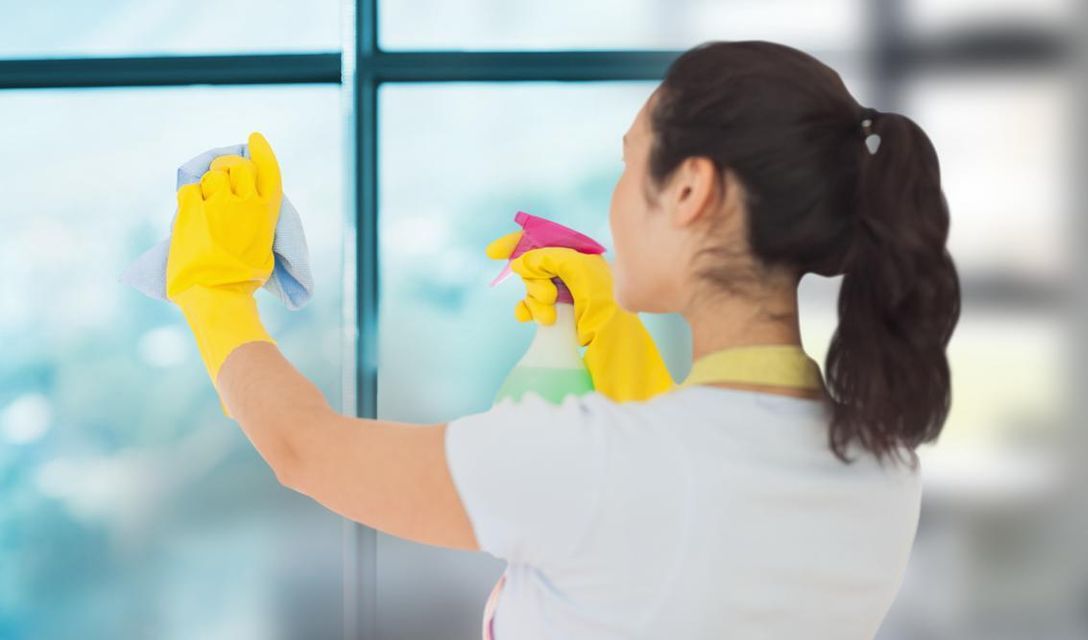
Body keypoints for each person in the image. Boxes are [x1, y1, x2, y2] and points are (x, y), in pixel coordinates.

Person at [161, 41, 960, 638]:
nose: (616, 199)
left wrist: (212, 292)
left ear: (690, 188)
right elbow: (693, 546)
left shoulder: (588, 463)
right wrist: (616, 345)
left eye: (629, 165)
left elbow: (306, 450)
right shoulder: (885, 467)